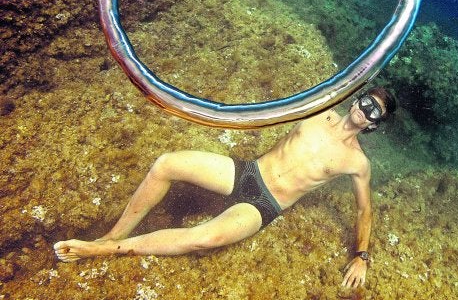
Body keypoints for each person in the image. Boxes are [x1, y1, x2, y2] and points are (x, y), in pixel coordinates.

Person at [54, 86, 396, 289]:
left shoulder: (358, 163)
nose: (366, 112)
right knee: (166, 164)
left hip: (265, 206)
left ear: (375, 126)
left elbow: (365, 210)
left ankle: (104, 251)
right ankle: (111, 236)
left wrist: (362, 256)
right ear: (356, 99)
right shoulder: (315, 111)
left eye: (375, 114)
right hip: (247, 172)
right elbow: (268, 111)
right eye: (366, 103)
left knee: (204, 237)